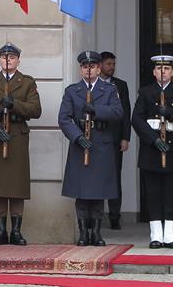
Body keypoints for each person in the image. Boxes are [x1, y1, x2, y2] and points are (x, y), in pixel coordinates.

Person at [0, 43, 41, 245]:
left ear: (18, 60)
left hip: (17, 137)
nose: (8, 60)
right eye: (4, 57)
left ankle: (17, 231)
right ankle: (1, 231)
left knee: (17, 185)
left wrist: (15, 105)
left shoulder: (27, 82)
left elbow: (36, 110)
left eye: (11, 57)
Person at [132, 55, 173, 249]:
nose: (163, 72)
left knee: (171, 192)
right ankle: (155, 234)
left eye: (166, 69)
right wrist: (153, 140)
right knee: (153, 193)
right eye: (159, 68)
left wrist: (170, 113)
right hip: (151, 148)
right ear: (154, 72)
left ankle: (169, 234)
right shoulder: (145, 92)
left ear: (172, 72)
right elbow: (136, 119)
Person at [58, 50, 123, 246]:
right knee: (82, 193)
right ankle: (83, 233)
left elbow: (118, 112)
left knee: (98, 192)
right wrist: (77, 137)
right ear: (81, 69)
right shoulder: (72, 91)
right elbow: (64, 118)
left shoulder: (109, 90)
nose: (89, 70)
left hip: (100, 144)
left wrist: (97, 110)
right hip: (81, 145)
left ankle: (96, 232)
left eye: (92, 66)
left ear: (98, 68)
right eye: (85, 67)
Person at [99, 51, 132, 230]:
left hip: (114, 138)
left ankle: (114, 216)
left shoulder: (121, 85)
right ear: (100, 65)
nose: (111, 67)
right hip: (96, 138)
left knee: (114, 177)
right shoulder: (92, 84)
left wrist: (125, 137)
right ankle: (94, 216)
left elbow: (126, 113)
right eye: (108, 64)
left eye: (113, 64)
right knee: (95, 176)